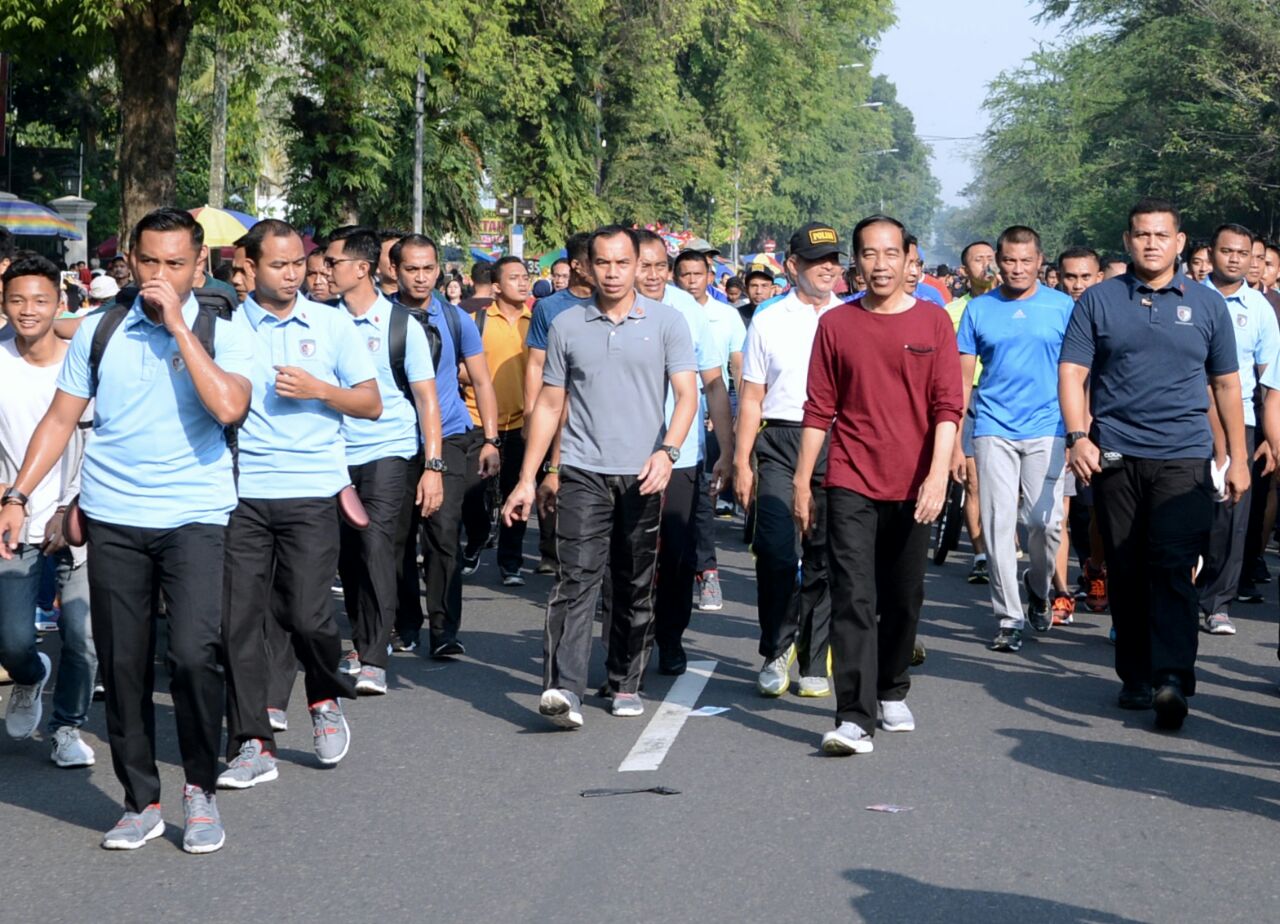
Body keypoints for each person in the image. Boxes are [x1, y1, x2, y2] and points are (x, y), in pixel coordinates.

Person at [0, 207, 254, 853]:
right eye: (149, 262)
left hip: (195, 517)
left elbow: (229, 404)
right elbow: (60, 420)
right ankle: (139, 799)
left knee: (195, 655)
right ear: (130, 263)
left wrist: (179, 328)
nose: (160, 275)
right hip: (115, 518)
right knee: (124, 663)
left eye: (175, 263)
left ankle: (200, 791)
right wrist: (18, 493)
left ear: (200, 265)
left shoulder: (227, 328)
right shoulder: (99, 330)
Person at [1060, 197, 1248, 731]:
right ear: (1127, 241)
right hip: (1116, 453)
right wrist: (1077, 436)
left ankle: (1172, 679)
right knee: (1125, 566)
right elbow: (1073, 372)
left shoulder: (1207, 306)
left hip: (1184, 455)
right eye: (1141, 234)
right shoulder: (1099, 300)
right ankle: (1136, 677)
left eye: (1161, 235)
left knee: (1171, 566)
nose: (1151, 243)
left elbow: (1227, 385)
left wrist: (1234, 458)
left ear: (1181, 243)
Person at [502, 226, 697, 726]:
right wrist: (530, 477)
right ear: (588, 267)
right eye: (603, 263)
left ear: (639, 266)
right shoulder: (567, 325)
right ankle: (563, 688)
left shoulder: (668, 322)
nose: (613, 273)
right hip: (583, 471)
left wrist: (668, 453)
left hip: (643, 474)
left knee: (632, 582)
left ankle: (624, 679)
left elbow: (687, 395)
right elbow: (549, 405)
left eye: (622, 263)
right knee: (576, 578)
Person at [216, 220, 385, 791]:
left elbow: (371, 404)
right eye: (279, 266)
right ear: (249, 267)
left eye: (299, 265)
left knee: (309, 614)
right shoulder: (228, 327)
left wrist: (320, 390)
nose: (292, 276)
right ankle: (252, 741)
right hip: (242, 494)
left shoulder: (332, 324)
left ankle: (322, 697)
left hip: (312, 491)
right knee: (240, 622)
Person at [793, 214, 961, 755]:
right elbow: (819, 408)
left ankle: (892, 688)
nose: (880, 264)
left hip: (915, 485)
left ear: (909, 258)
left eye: (891, 254)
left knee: (904, 596)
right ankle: (854, 717)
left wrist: (938, 476)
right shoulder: (837, 325)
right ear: (855, 262)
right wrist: (803, 481)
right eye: (869, 254)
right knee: (853, 597)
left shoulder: (933, 323)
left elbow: (947, 407)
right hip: (850, 480)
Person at [325, 228, 451, 688]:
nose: (324, 269)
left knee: (375, 545)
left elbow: (427, 400)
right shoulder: (321, 322)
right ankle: (362, 640)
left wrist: (433, 468)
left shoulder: (402, 326)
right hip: (334, 457)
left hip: (388, 452)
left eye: (332, 262)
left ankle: (374, 656)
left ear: (361, 269)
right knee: (347, 555)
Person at [734, 224, 845, 698]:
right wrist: (740, 462)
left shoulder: (850, 317)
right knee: (778, 551)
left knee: (824, 554)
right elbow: (752, 396)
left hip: (837, 443)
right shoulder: (768, 318)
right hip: (779, 441)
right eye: (817, 260)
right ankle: (776, 649)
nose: (828, 268)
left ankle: (814, 660)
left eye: (834, 260)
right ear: (792, 266)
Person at [956, 227, 1075, 653]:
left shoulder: (1063, 308)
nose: (1017, 268)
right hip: (992, 428)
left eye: (1026, 261)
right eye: (1009, 260)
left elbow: (1079, 374)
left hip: (1049, 427)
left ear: (1041, 261)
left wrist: (1081, 429)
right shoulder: (979, 310)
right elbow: (961, 379)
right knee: (998, 524)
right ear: (996, 263)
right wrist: (956, 440)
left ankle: (1039, 587)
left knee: (1044, 523)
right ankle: (1009, 617)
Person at [0, 253, 97, 768]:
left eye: (40, 300)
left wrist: (75, 505)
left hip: (78, 516)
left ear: (60, 303)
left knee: (82, 635)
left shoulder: (82, 362)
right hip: (11, 516)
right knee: (12, 638)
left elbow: (102, 441)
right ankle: (30, 675)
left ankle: (67, 727)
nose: (28, 310)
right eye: (16, 300)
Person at [389, 234, 500, 657]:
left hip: (452, 437)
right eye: (412, 269)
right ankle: (405, 622)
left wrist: (489, 439)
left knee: (443, 533)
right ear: (394, 271)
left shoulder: (456, 319)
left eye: (428, 268)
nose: (421, 277)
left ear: (439, 269)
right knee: (397, 538)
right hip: (396, 442)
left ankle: (444, 630)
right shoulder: (383, 319)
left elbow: (483, 380)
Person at [645, 243, 733, 675]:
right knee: (624, 552)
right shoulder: (602, 311)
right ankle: (628, 644)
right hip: (619, 453)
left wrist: (729, 453)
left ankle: (670, 638)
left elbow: (714, 384)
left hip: (681, 455)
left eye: (661, 266)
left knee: (676, 554)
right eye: (642, 265)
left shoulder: (688, 311)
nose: (652, 275)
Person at [1195, 224, 1279, 630]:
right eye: (1225, 250)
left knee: (1233, 516)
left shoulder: (1260, 309)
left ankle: (1217, 603)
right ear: (1210, 253)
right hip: (1185, 421)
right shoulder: (1188, 296)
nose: (1233, 258)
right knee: (1187, 512)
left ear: (1252, 259)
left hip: (1240, 422)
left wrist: (1271, 439)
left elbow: (1271, 382)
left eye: (1242, 253)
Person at [672, 246, 745, 611]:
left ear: (709, 277)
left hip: (712, 409)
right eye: (683, 274)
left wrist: (734, 416)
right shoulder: (665, 310)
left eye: (697, 274)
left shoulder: (726, 316)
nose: (690, 281)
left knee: (704, 498)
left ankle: (708, 574)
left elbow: (734, 369)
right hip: (672, 416)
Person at [523, 232, 595, 574]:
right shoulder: (550, 307)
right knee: (552, 475)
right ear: (578, 265)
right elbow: (536, 364)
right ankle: (550, 551)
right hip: (553, 406)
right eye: (597, 260)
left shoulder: (612, 303)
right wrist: (530, 411)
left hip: (594, 411)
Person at [460, 256, 533, 586]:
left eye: (525, 276)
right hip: (477, 419)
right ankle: (475, 540)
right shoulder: (475, 319)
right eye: (514, 277)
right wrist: (471, 377)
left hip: (522, 423)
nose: (523, 282)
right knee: (472, 494)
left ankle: (511, 562)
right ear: (496, 286)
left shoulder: (537, 321)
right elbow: (456, 366)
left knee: (516, 492)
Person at [944, 240, 996, 585]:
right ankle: (980, 554)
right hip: (969, 398)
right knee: (974, 481)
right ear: (964, 271)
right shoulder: (951, 313)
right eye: (979, 260)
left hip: (1005, 398)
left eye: (992, 258)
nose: (987, 265)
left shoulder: (1013, 304)